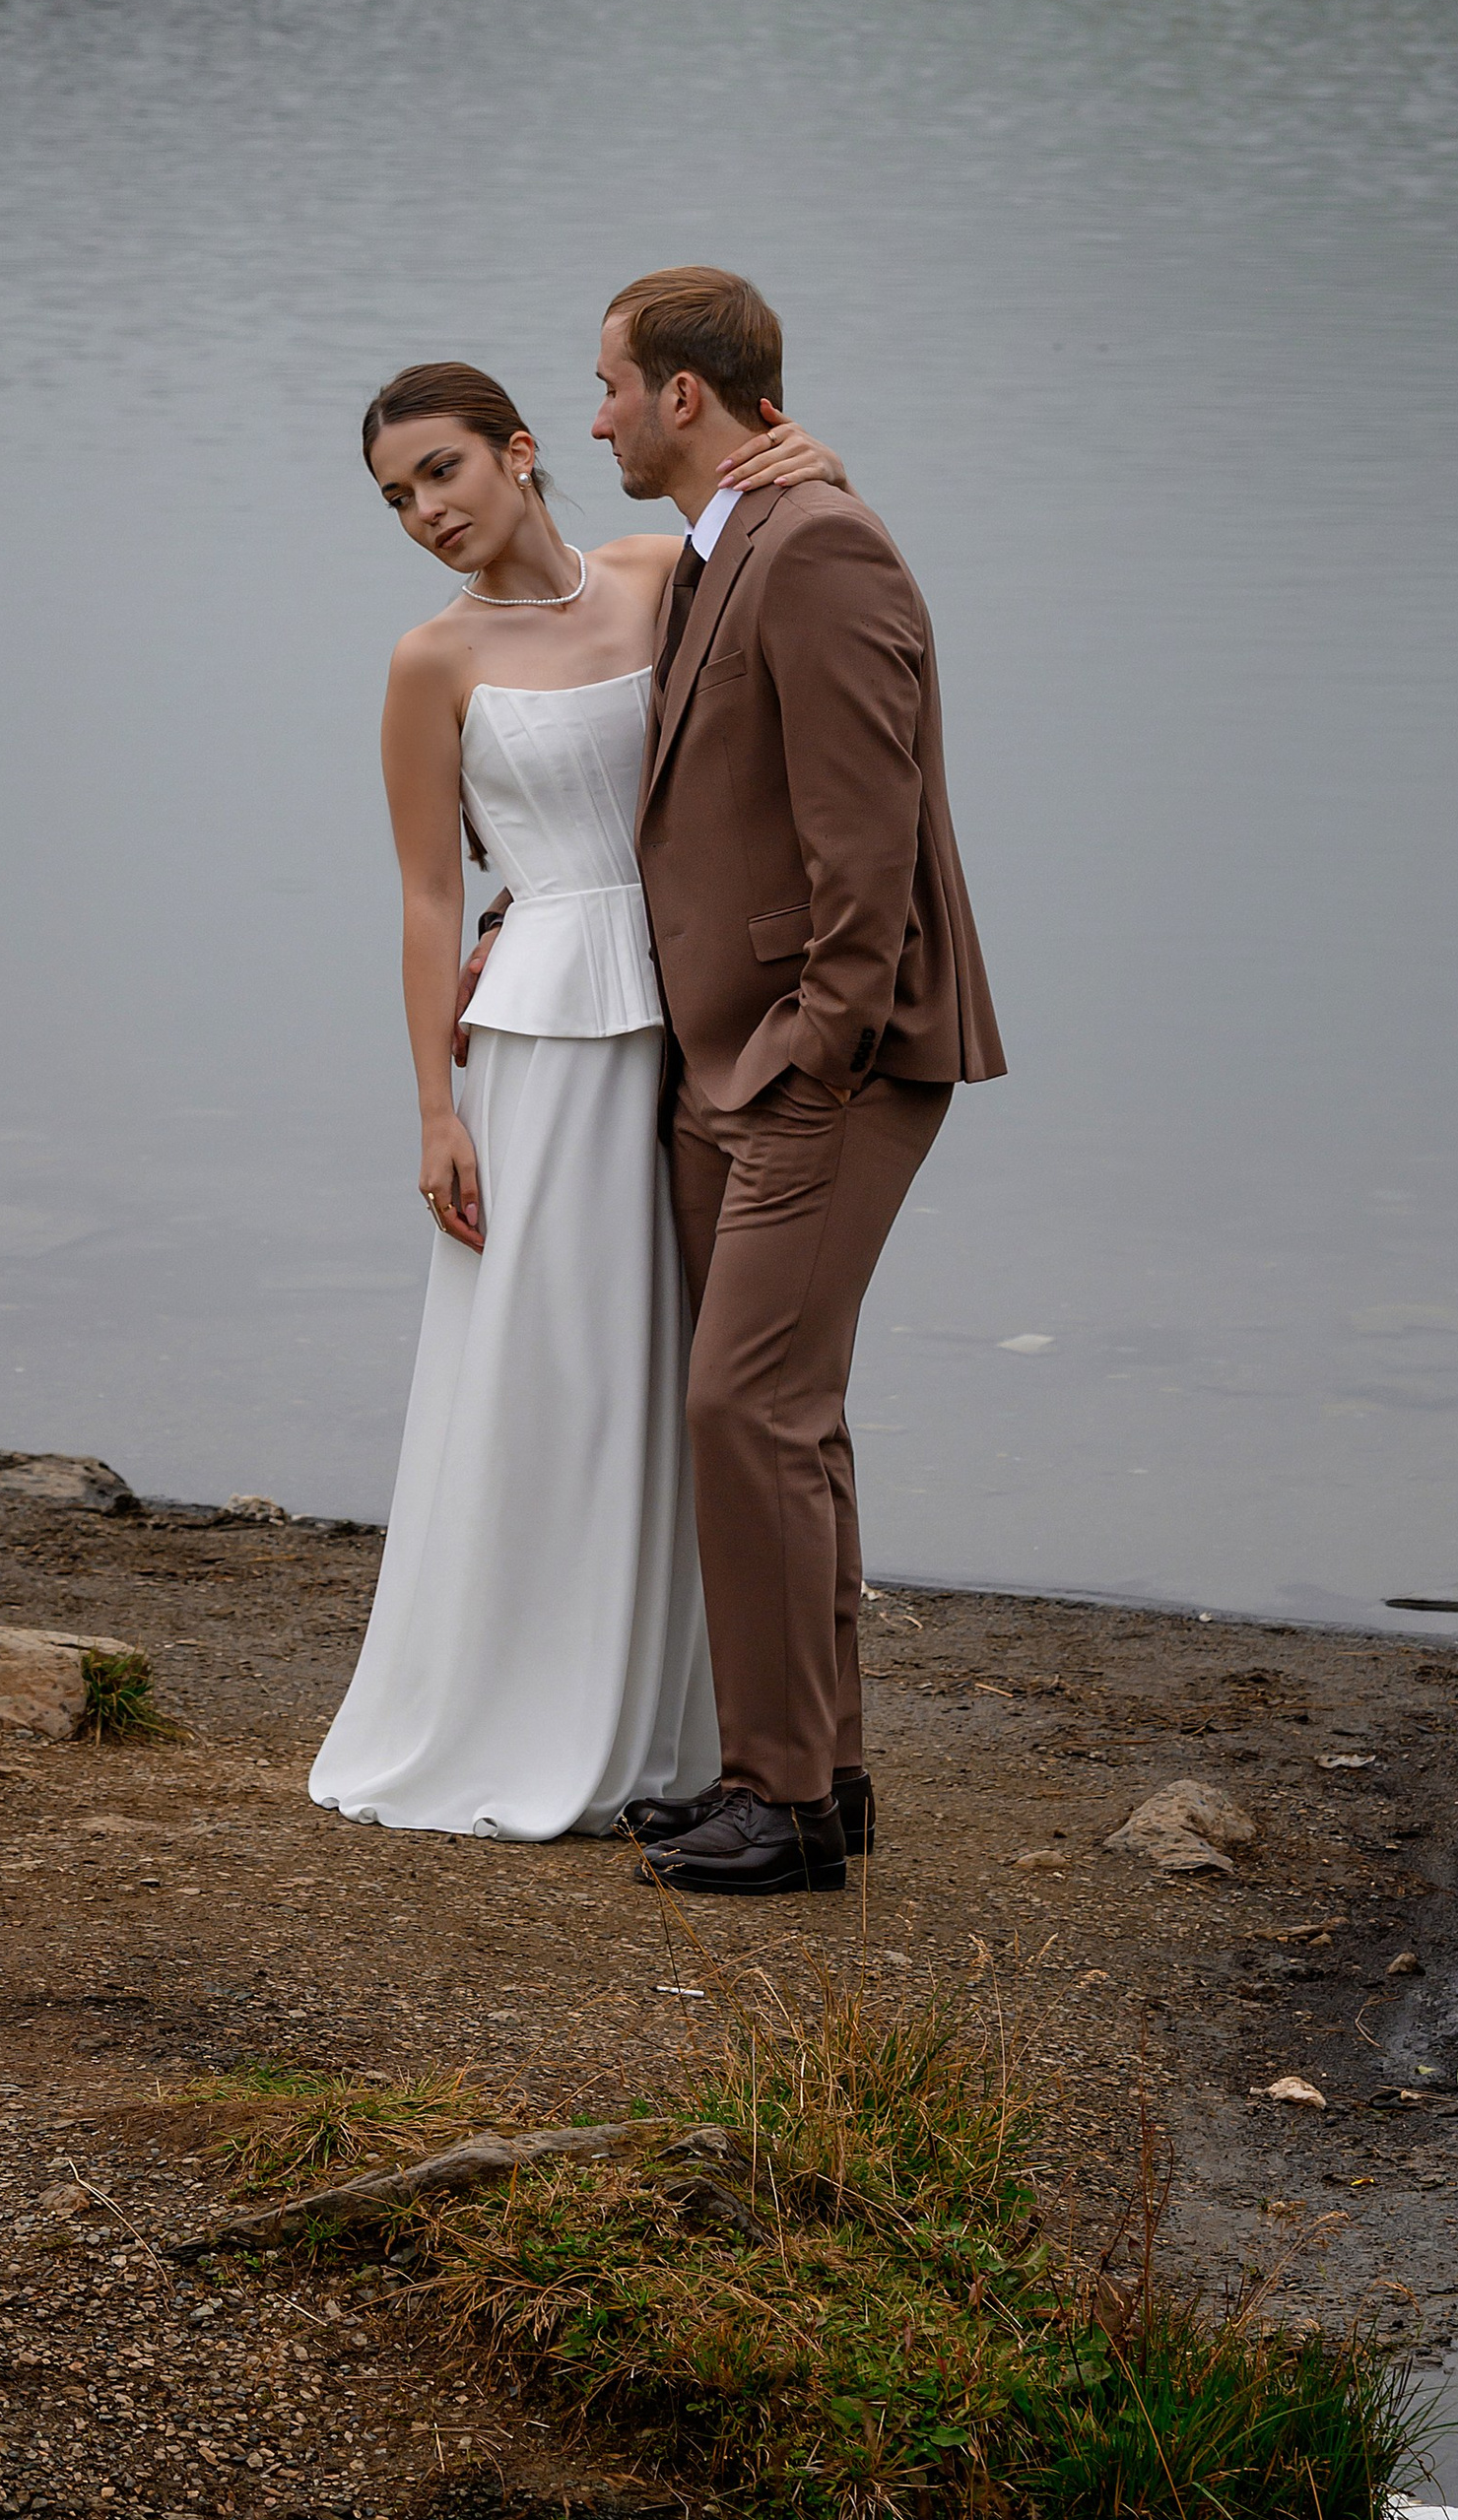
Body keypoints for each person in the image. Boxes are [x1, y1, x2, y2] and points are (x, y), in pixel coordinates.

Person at [308, 361, 849, 1841]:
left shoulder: (657, 575)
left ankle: (693, 1733)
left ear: (522, 454)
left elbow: (803, 581)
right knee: (545, 1365)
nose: (424, 511)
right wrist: (433, 1112)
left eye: (441, 472)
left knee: (677, 1365)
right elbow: (429, 901)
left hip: (694, 1018)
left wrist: (804, 463)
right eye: (396, 496)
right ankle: (519, 1706)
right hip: (545, 1032)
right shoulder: (432, 660)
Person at [586, 268, 1005, 1897]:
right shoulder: (727, 539)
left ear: (686, 394)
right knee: (789, 1421)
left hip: (825, 1061)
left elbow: (872, 846)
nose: (599, 412)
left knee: (741, 1404)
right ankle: (815, 1780)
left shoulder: (819, 546)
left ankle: (777, 1799)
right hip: (735, 1052)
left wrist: (805, 1058)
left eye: (612, 385)